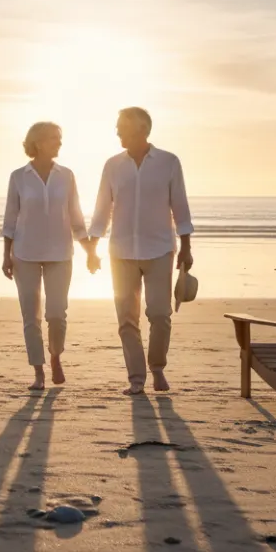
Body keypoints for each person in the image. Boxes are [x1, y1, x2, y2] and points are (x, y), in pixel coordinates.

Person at [87, 107, 194, 396]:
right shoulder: (112, 165)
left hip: (160, 249)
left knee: (160, 314)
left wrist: (186, 247)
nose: (117, 131)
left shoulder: (169, 162)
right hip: (121, 252)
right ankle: (136, 378)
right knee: (126, 319)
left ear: (141, 129)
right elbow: (102, 209)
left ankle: (157, 367)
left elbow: (180, 207)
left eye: (122, 126)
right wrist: (92, 246)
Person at [2, 121, 97, 390]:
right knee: (30, 316)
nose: (59, 143)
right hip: (24, 253)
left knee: (56, 313)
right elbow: (10, 218)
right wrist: (6, 255)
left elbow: (77, 217)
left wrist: (90, 251)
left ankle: (55, 355)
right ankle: (38, 372)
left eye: (59, 138)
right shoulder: (18, 177)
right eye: (54, 138)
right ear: (39, 142)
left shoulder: (66, 175)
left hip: (60, 253)